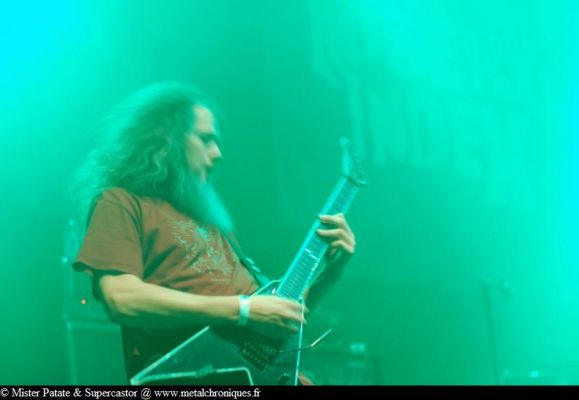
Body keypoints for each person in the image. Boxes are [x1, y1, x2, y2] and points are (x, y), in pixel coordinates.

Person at [72, 82, 356, 384]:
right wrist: (243, 310)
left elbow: (279, 319)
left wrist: (331, 272)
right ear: (166, 140)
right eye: (206, 139)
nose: (218, 153)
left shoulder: (212, 224)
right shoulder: (120, 202)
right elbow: (122, 298)